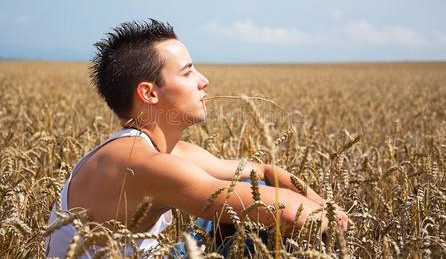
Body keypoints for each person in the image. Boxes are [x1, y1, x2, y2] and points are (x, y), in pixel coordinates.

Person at [45, 19, 349, 257]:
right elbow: (295, 215)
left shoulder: (167, 151)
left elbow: (264, 174)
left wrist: (326, 207)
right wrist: (333, 225)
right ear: (149, 92)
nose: (205, 81)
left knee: (253, 194)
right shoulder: (136, 161)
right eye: (188, 72)